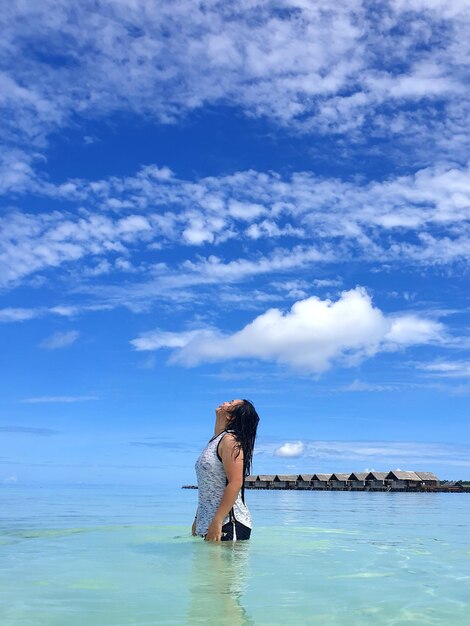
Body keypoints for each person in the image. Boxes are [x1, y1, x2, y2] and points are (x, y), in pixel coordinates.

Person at [192, 399, 260, 542]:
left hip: (229, 523)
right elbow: (209, 487)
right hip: (210, 523)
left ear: (231, 416)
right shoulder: (214, 441)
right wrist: (198, 519)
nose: (224, 403)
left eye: (230, 403)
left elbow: (235, 483)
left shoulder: (230, 440)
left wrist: (217, 521)